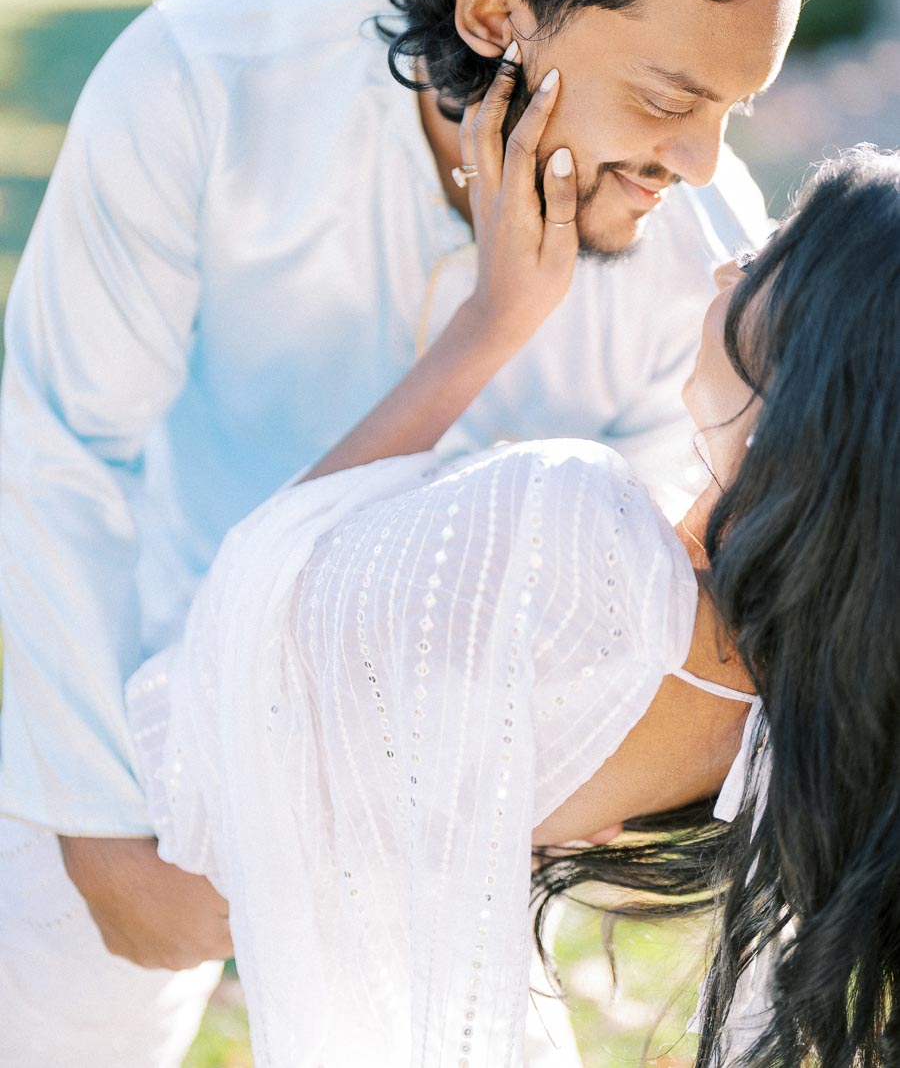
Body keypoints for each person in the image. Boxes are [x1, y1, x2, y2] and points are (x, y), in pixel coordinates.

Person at [0, 0, 843, 1067]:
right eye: (669, 98)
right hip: (121, 699)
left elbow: (642, 617)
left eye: (734, 110)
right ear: (499, 9)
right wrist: (97, 828)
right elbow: (56, 450)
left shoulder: (703, 254)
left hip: (431, 814)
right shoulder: (206, 80)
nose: (699, 165)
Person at [123, 119, 900, 1065]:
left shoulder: (575, 537)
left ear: (823, 362)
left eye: (777, 251)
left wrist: (493, 322)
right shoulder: (762, 725)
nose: (729, 261)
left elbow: (253, 600)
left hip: (114, 809)